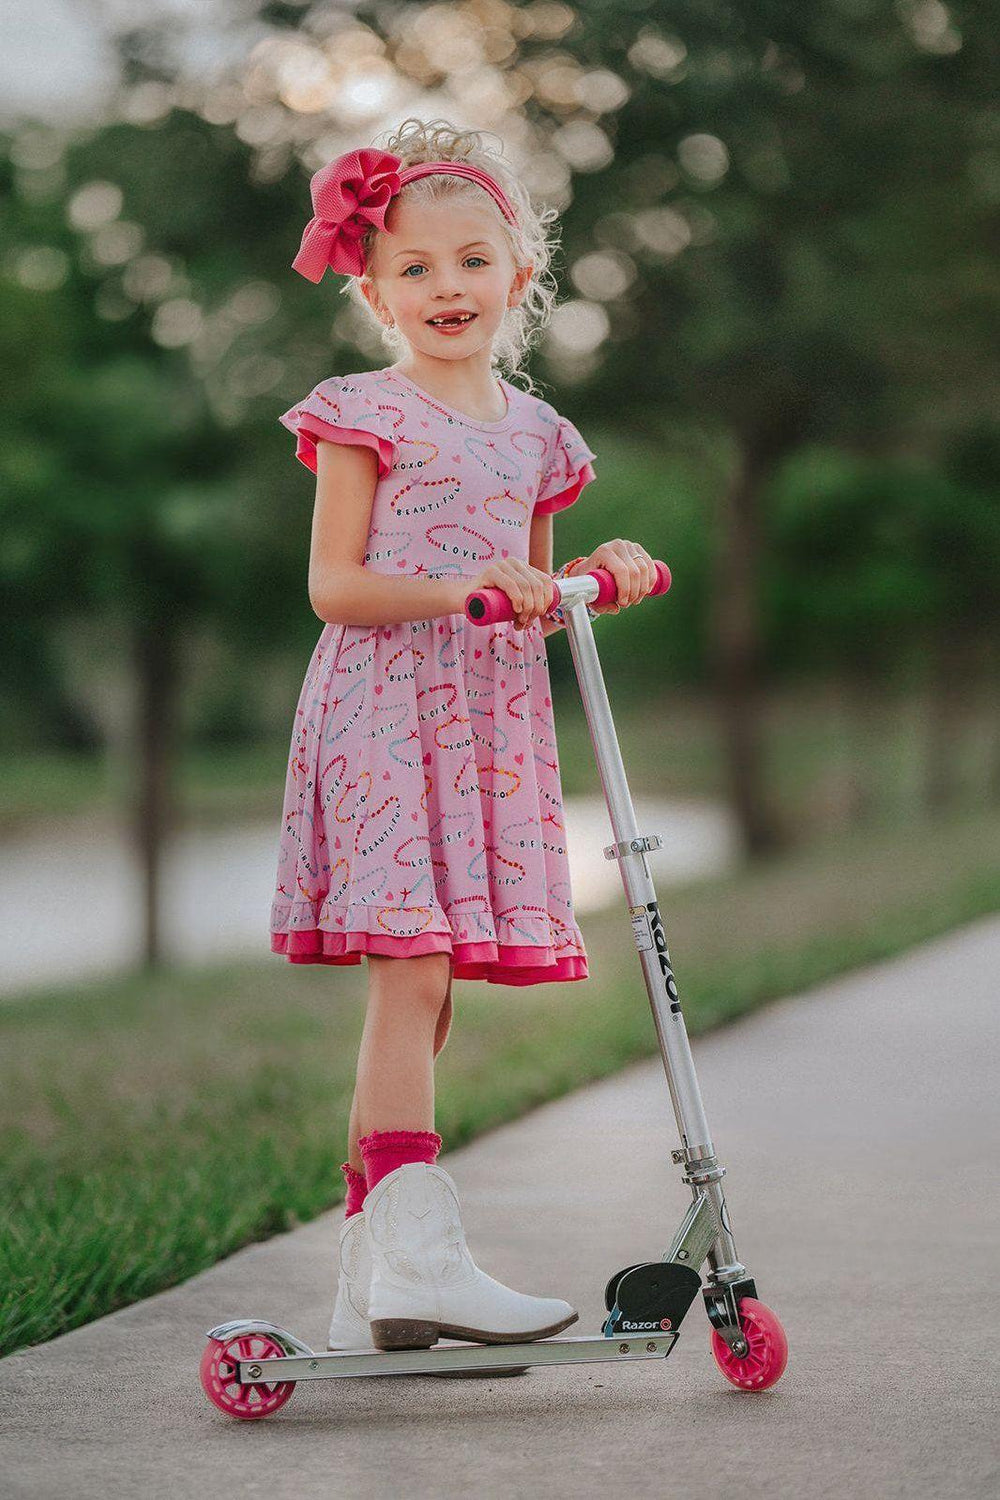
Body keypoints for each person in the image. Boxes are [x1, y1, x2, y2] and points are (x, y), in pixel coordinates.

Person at [271, 117, 657, 1362]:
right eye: (417, 269)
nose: (448, 287)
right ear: (374, 290)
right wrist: (458, 589)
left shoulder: (542, 437)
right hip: (383, 712)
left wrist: (590, 573)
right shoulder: (359, 413)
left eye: (472, 261)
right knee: (412, 970)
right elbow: (335, 585)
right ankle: (422, 1256)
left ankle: (367, 1274)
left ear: (520, 272)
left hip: (485, 728)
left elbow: (527, 607)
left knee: (426, 1001)